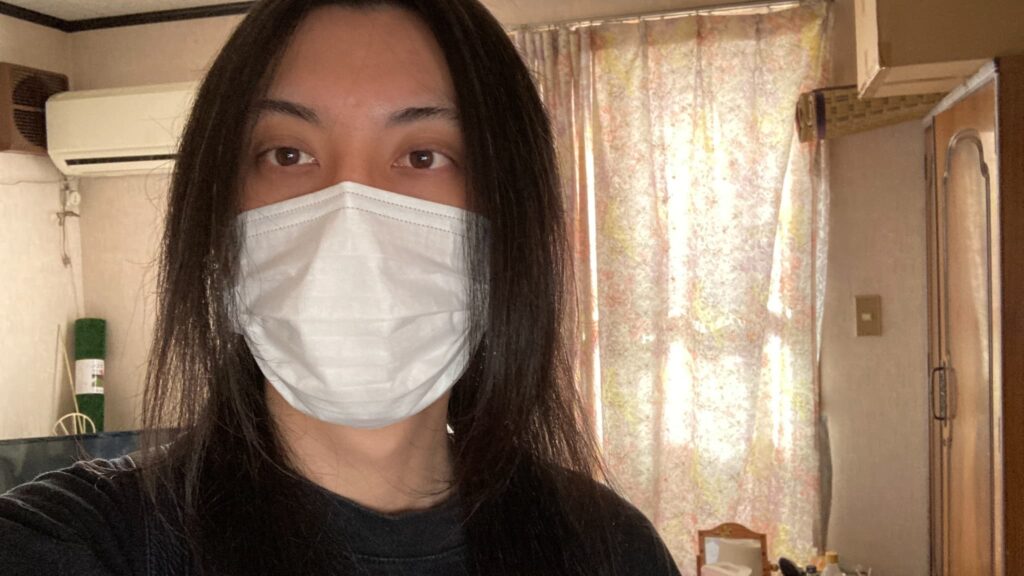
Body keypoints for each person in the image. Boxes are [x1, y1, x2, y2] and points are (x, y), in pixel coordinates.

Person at [0, 1, 682, 574]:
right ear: (216, 222)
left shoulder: (609, 550)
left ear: (511, 219)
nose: (348, 217)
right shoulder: (77, 542)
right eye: (287, 154)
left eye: (423, 156)